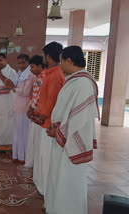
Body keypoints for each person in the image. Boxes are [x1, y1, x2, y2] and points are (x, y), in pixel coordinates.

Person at [45, 46, 99, 214]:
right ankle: (56, 208)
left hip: (72, 139)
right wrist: (57, 127)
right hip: (63, 135)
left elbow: (79, 119)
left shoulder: (83, 83)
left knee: (68, 180)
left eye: (61, 62)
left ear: (69, 60)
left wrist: (60, 131)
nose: (60, 66)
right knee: (59, 178)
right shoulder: (75, 80)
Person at [29, 42, 65, 197]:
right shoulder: (50, 73)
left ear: (48, 56)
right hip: (44, 120)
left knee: (47, 158)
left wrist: (41, 117)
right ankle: (41, 184)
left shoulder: (56, 75)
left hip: (49, 124)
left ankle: (46, 188)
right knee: (42, 156)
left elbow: (51, 100)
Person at [0, 53, 17, 151]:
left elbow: (11, 85)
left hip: (8, 104)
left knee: (8, 125)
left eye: (0, 60)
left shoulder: (12, 72)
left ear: (5, 60)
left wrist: (0, 74)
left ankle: (9, 146)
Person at [11, 54, 35, 163]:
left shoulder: (30, 74)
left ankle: (23, 156)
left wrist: (14, 88)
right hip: (17, 106)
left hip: (25, 107)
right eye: (19, 63)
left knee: (23, 133)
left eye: (23, 63)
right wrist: (14, 88)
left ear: (28, 63)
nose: (21, 65)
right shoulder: (19, 74)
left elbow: (26, 92)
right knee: (16, 132)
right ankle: (16, 155)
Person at [24, 55, 45, 168]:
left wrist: (32, 109)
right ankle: (32, 163)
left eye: (32, 67)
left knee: (37, 142)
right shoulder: (38, 77)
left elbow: (39, 97)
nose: (31, 70)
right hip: (35, 115)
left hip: (40, 116)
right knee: (33, 141)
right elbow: (34, 96)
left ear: (40, 66)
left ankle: (36, 165)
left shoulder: (43, 78)